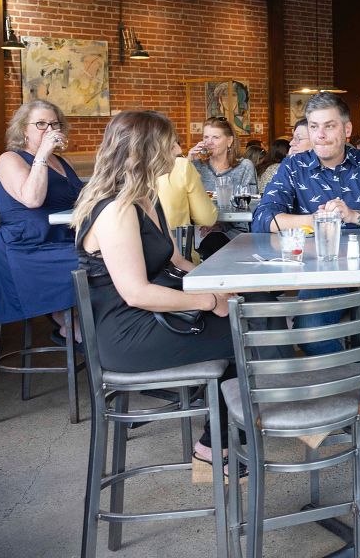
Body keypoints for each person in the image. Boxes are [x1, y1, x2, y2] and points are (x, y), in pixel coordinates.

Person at [72, 110, 237, 470]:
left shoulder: (147, 197)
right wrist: (208, 301)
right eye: (170, 143)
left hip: (152, 316)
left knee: (245, 317)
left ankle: (224, 438)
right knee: (244, 334)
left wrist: (222, 290)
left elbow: (177, 261)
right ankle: (217, 446)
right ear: (147, 151)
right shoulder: (116, 209)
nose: (179, 149)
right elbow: (136, 293)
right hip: (127, 332)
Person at [253, 92, 360, 429]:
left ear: (347, 129)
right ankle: (355, 384)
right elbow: (262, 217)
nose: (321, 134)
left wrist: (354, 214)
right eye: (314, 127)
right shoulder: (294, 166)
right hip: (320, 271)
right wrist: (314, 220)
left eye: (329, 126)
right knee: (310, 333)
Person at [0, 101, 85, 343]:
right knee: (97, 264)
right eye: (41, 124)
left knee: (112, 255)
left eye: (54, 124)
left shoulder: (63, 162)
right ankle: (79, 329)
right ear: (24, 129)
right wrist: (42, 153)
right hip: (27, 248)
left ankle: (86, 330)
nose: (49, 129)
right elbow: (32, 199)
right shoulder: (10, 159)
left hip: (62, 240)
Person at [190, 116, 256, 245]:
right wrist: (187, 162)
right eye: (206, 137)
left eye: (216, 137)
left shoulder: (244, 167)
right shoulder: (196, 166)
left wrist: (220, 226)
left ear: (229, 141)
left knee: (215, 240)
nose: (209, 142)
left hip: (235, 232)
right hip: (199, 230)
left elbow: (250, 205)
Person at [155, 139, 218, 251]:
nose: (179, 149)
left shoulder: (121, 172)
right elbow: (207, 219)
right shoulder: (181, 165)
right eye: (172, 141)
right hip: (179, 254)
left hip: (135, 260)